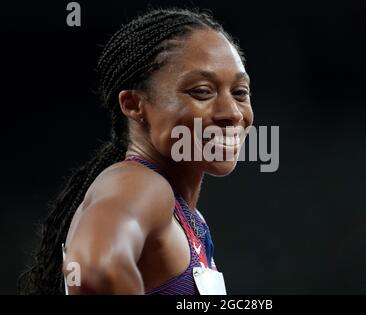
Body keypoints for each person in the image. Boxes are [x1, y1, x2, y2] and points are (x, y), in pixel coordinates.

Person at [18, 7, 253, 295]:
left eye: (240, 92)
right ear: (133, 104)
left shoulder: (187, 218)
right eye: (202, 91)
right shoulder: (140, 184)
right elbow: (95, 269)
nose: (232, 112)